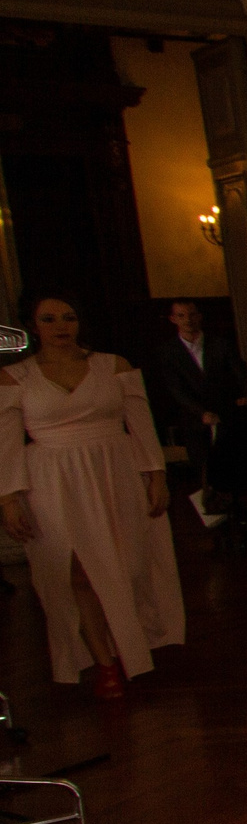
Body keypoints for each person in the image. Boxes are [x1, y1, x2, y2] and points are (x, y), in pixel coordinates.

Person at [0, 293, 184, 697]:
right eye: (48, 319)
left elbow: (141, 424)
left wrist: (156, 476)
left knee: (129, 567)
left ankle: (134, 645)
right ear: (33, 326)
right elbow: (7, 443)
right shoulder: (16, 377)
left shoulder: (112, 365)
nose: (60, 326)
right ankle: (105, 664)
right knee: (76, 571)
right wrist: (9, 499)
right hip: (51, 480)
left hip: (114, 471)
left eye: (68, 317)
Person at [145, 298, 247, 496]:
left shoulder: (220, 345)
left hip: (227, 416)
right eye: (181, 315)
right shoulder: (167, 352)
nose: (187, 320)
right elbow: (175, 389)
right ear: (173, 319)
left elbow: (242, 373)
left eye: (191, 314)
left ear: (199, 316)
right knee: (205, 474)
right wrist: (200, 412)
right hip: (195, 422)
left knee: (236, 470)